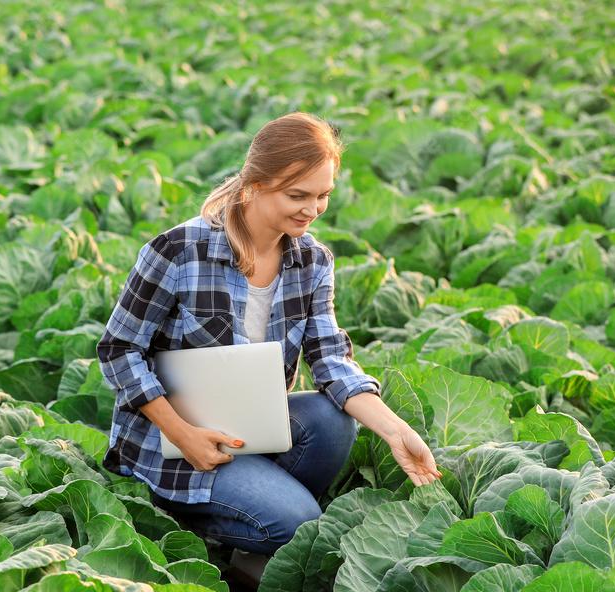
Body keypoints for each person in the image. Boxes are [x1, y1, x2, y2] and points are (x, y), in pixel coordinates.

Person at [95, 112, 441, 564]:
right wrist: (184, 434)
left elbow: (330, 359)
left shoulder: (313, 261)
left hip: (253, 432)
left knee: (331, 419)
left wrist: (397, 432)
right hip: (173, 445)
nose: (312, 209)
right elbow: (119, 351)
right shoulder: (178, 251)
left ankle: (254, 530)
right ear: (254, 183)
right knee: (300, 523)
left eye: (324, 195)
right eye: (297, 195)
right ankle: (191, 519)